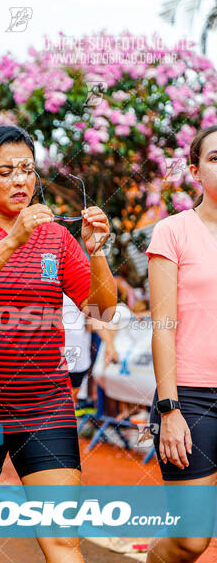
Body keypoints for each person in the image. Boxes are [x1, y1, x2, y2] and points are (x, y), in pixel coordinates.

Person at [0, 125, 117, 563]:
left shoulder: (56, 237)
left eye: (28, 170)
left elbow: (102, 311)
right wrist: (13, 239)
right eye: (7, 171)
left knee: (62, 540)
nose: (20, 181)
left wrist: (97, 251)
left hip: (45, 405)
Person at [146, 125, 217, 563]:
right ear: (195, 170)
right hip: (191, 397)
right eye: (216, 157)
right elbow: (163, 325)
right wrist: (169, 410)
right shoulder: (173, 231)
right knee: (192, 540)